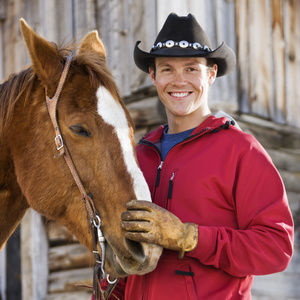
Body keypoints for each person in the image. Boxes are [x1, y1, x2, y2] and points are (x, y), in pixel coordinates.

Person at [99, 13, 294, 300]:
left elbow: (277, 248)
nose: (179, 81)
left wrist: (188, 237)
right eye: (167, 69)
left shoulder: (241, 150)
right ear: (153, 76)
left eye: (191, 69)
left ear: (211, 74)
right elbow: (125, 261)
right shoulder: (139, 156)